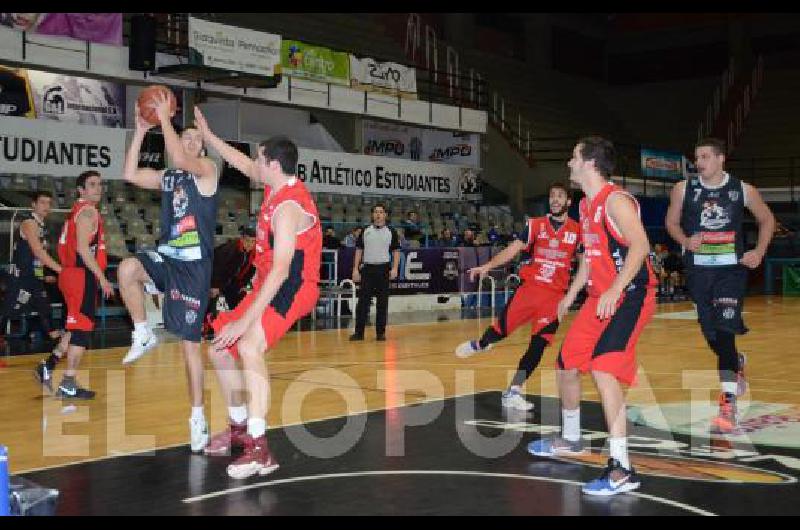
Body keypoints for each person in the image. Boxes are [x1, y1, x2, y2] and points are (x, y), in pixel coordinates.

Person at [194, 107, 322, 479]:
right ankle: (237, 431)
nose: (254, 163)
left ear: (273, 164)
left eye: (259, 158)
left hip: (294, 287)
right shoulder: (274, 183)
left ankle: (260, 448)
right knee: (219, 346)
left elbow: (282, 271)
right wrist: (210, 135)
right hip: (269, 283)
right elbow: (240, 163)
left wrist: (246, 321)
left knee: (248, 345)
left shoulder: (289, 207)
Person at [528, 137, 657, 496]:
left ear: (589, 163)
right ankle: (571, 439)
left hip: (630, 296)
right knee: (567, 363)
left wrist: (615, 289)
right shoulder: (585, 206)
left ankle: (622, 469)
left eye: (573, 157)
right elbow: (590, 255)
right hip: (601, 297)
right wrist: (570, 295)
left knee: (603, 368)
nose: (568, 163)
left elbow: (641, 245)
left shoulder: (616, 201)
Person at [118, 93, 220, 452]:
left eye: (196, 138)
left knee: (190, 349)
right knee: (128, 268)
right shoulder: (169, 176)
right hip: (168, 257)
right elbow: (129, 173)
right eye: (186, 136)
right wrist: (141, 129)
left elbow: (179, 155)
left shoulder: (208, 171)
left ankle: (197, 416)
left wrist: (164, 118)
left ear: (203, 148)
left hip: (193, 268)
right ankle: (143, 331)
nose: (190, 141)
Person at [665, 137, 775, 433]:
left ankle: (727, 403)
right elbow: (671, 223)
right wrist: (686, 241)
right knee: (712, 334)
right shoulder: (683, 189)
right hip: (699, 273)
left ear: (720, 159)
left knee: (725, 332)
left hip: (731, 272)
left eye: (704, 157)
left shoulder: (743, 189)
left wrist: (759, 251)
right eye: (696, 157)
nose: (698, 163)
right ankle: (736, 361)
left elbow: (767, 220)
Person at [455, 182, 581, 411]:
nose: (555, 200)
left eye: (560, 196)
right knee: (499, 331)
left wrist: (583, 288)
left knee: (539, 346)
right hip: (530, 290)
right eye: (552, 196)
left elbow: (587, 262)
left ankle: (513, 390)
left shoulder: (577, 230)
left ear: (569, 202)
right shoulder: (535, 225)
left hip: (554, 299)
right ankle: (481, 344)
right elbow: (513, 249)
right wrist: (487, 266)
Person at [0, 191, 71, 391]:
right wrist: (60, 270)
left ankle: (59, 349)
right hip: (20, 279)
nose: (46, 206)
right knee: (8, 313)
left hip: (34, 278)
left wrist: (44, 274)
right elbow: (37, 251)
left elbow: (38, 257)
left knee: (45, 309)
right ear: (33, 205)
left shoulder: (43, 228)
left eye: (49, 203)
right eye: (42, 203)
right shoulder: (29, 223)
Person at [53, 171, 114, 399]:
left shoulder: (75, 212)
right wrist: (102, 277)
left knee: (75, 327)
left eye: (100, 184)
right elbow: (82, 250)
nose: (98, 189)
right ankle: (68, 382)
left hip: (71, 274)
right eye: (92, 185)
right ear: (81, 190)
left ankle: (51, 364)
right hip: (82, 275)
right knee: (81, 330)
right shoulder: (88, 212)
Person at [350, 204, 401, 342]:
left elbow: (396, 251)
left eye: (381, 212)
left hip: (383, 269)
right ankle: (359, 333)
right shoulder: (366, 231)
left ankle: (380, 333)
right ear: (372, 215)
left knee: (382, 303)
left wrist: (395, 268)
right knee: (363, 303)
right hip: (368, 269)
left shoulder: (391, 231)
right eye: (376, 212)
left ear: (385, 215)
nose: (378, 214)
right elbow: (359, 250)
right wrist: (355, 269)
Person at [206, 227, 257, 327]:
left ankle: (235, 327)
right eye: (247, 241)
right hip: (215, 278)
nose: (250, 244)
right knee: (211, 303)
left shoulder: (253, 253)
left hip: (233, 282)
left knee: (240, 300)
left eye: (253, 241)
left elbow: (250, 271)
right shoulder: (230, 249)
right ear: (241, 239)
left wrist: (243, 285)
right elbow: (217, 267)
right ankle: (205, 328)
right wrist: (215, 286)